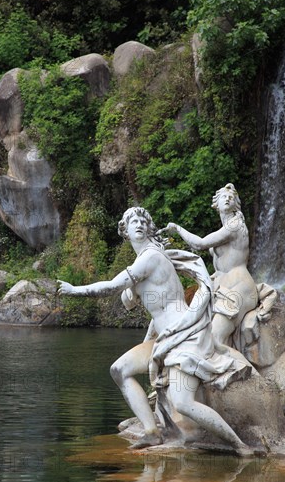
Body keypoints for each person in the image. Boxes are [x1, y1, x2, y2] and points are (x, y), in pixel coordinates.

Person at [58, 206, 252, 454]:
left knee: (183, 403)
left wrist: (76, 290)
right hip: (165, 338)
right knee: (119, 370)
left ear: (149, 228)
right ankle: (151, 433)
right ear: (125, 231)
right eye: (132, 221)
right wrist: (132, 292)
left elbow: (111, 287)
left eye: (142, 220)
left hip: (185, 337)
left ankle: (240, 445)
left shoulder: (151, 257)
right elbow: (134, 304)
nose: (138, 223)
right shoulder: (141, 262)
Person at [158, 184, 258, 346]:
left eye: (231, 198)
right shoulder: (224, 229)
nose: (228, 198)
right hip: (219, 285)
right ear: (216, 204)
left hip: (240, 287)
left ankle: (237, 369)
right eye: (224, 197)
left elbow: (200, 244)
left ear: (236, 205)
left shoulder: (235, 225)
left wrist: (177, 228)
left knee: (214, 337)